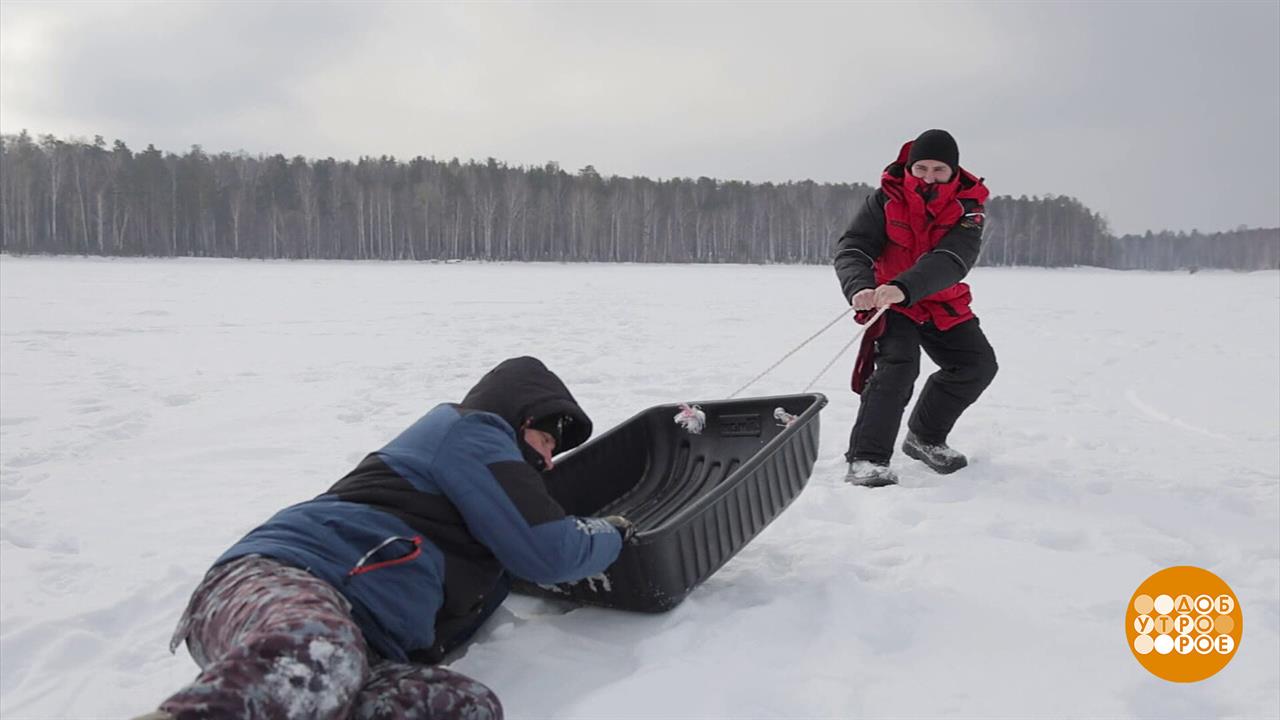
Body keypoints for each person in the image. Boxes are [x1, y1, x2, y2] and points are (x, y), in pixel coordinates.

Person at [136, 356, 635, 720]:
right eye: (546, 441)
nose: (549, 461)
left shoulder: (487, 517)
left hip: (360, 656)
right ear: (521, 418)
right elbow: (550, 552)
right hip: (279, 581)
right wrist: (609, 535)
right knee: (319, 649)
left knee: (463, 708)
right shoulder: (471, 431)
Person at [833, 129, 998, 487]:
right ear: (909, 167)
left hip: (940, 301)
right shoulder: (883, 199)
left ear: (954, 172)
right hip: (891, 305)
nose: (928, 177)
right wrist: (860, 286)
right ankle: (867, 459)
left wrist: (904, 287)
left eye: (938, 170)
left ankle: (924, 437)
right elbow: (853, 248)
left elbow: (953, 259)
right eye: (921, 168)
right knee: (898, 366)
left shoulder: (969, 209)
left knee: (976, 365)